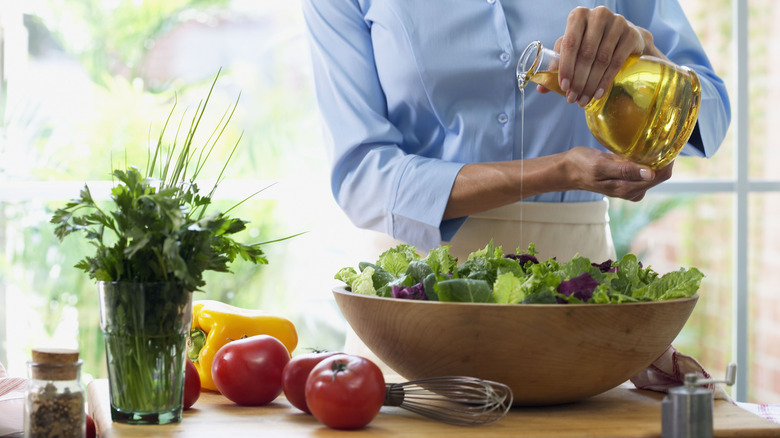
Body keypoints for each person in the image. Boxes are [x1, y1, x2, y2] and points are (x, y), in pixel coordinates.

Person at [301, 1, 730, 265]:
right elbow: (363, 177)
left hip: (580, 291)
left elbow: (711, 109)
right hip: (415, 301)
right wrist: (557, 171)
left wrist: (647, 56)